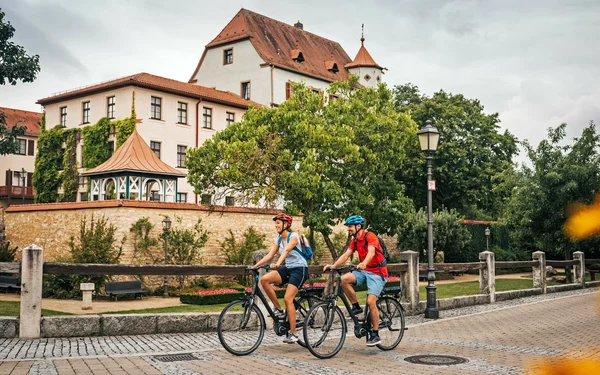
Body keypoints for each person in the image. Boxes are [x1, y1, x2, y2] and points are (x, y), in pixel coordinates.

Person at [323, 215, 388, 346]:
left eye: (350, 227)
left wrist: (364, 263)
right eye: (348, 227)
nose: (348, 229)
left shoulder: (370, 236)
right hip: (365, 271)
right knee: (344, 279)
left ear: (358, 227)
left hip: (377, 273)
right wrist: (333, 266)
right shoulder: (355, 240)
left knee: (371, 302)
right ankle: (356, 306)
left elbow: (371, 252)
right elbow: (346, 255)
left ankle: (375, 334)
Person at [253, 213, 309, 344]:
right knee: (264, 280)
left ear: (286, 225)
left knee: (288, 299)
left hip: (300, 269)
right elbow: (269, 255)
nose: (276, 225)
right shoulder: (278, 239)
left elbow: (287, 250)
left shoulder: (293, 236)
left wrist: (278, 263)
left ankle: (293, 333)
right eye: (275, 223)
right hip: (289, 268)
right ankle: (278, 309)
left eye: (278, 223)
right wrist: (254, 266)